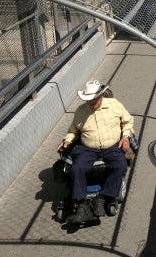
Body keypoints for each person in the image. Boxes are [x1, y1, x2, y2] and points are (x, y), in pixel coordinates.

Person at [57, 80, 134, 223]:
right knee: (76, 168)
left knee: (121, 166)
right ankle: (81, 204)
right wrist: (67, 140)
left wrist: (125, 136)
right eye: (89, 101)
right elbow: (73, 131)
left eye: (94, 100)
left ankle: (103, 197)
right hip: (88, 149)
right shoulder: (81, 111)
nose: (92, 104)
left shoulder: (114, 105)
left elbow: (128, 121)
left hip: (112, 146)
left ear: (101, 96)